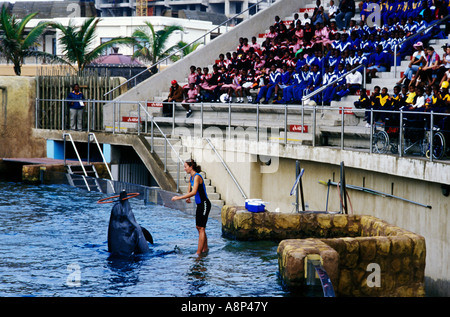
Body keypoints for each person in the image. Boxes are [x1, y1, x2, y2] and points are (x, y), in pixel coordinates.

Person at [171, 159, 211, 256]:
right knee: (198, 227)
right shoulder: (191, 178)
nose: (184, 169)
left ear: (191, 167)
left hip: (205, 204)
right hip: (199, 204)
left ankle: (198, 253)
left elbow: (194, 192)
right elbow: (190, 190)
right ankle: (205, 249)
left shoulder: (197, 177)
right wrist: (187, 197)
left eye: (185, 167)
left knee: (202, 228)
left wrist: (178, 198)